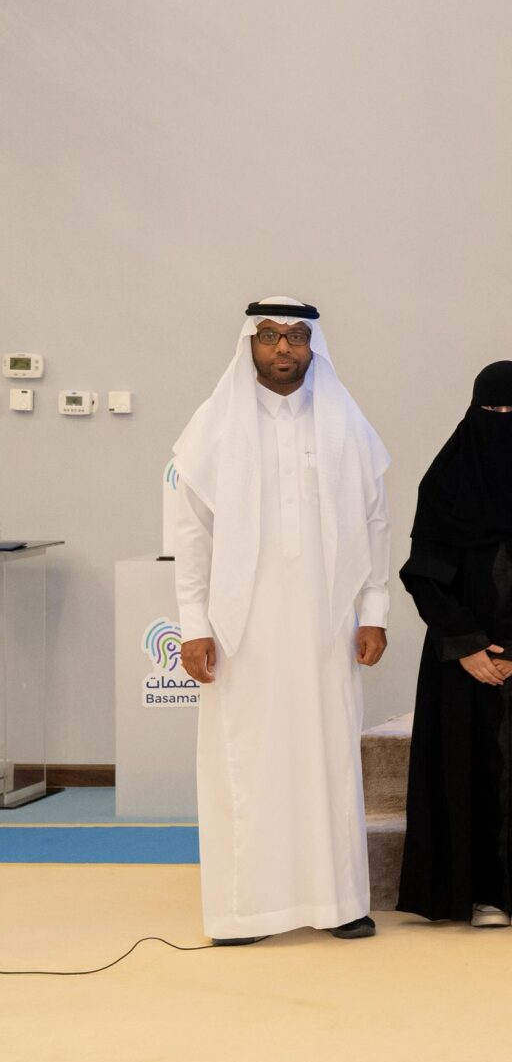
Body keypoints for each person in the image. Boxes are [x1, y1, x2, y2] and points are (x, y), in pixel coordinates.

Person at [169, 298, 392, 946]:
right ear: (250, 343)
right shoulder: (212, 426)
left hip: (326, 624)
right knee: (246, 758)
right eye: (269, 336)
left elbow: (375, 522)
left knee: (327, 757)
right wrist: (193, 623)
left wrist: (374, 611)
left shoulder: (345, 424)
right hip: (241, 628)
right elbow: (191, 535)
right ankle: (244, 910)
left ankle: (338, 901)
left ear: (312, 343)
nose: (284, 347)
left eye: (295, 335)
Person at [396, 360, 512, 927]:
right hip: (459, 658)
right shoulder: (445, 484)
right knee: (465, 762)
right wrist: (467, 643)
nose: (503, 419)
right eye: (492, 410)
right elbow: (424, 570)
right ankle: (475, 893)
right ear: (473, 413)